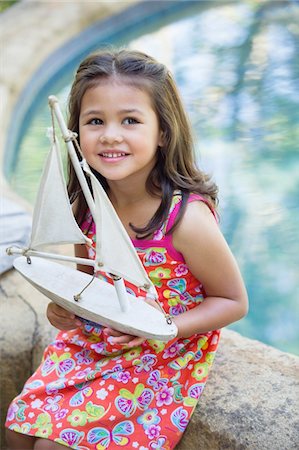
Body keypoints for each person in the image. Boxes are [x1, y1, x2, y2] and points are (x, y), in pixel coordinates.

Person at [5, 49, 248, 450]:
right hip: (99, 340)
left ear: (163, 132)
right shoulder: (87, 204)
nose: (110, 135)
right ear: (76, 131)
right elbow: (84, 285)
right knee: (19, 426)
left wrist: (162, 327)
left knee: (54, 446)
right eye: (95, 121)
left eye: (130, 121)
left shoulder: (185, 220)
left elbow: (233, 301)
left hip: (161, 349)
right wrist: (63, 309)